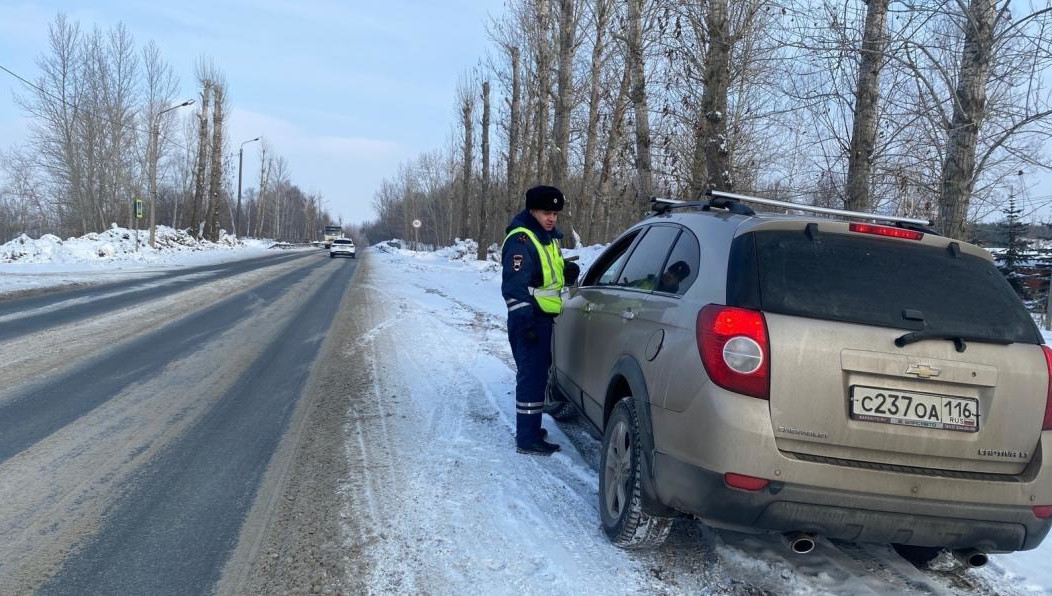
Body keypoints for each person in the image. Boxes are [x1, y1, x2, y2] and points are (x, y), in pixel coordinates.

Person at [501, 185, 580, 456]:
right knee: (531, 379)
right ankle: (526, 439)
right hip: (530, 320)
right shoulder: (521, 240)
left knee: (537, 377)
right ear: (532, 210)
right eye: (546, 212)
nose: (552, 218)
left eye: (555, 213)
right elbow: (514, 288)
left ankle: (532, 429)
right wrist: (526, 325)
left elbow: (545, 276)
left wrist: (566, 270)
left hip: (543, 318)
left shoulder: (547, 237)